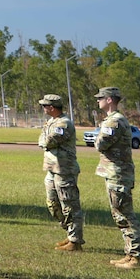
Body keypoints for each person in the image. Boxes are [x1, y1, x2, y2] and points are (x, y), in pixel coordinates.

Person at [94, 86, 140, 269]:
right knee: (120, 215)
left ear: (109, 100)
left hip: (118, 174)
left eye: (101, 98)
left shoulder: (114, 121)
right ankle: (130, 254)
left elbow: (100, 144)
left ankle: (136, 257)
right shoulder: (112, 120)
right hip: (115, 173)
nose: (98, 101)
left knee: (125, 215)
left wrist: (98, 137)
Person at [37, 94, 83, 252]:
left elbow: (48, 141)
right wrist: (44, 140)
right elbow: (41, 141)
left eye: (45, 105)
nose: (43, 108)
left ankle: (75, 240)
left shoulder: (64, 123)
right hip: (51, 169)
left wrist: (45, 141)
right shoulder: (51, 122)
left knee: (69, 205)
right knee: (53, 204)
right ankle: (70, 233)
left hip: (64, 170)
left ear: (52, 107)